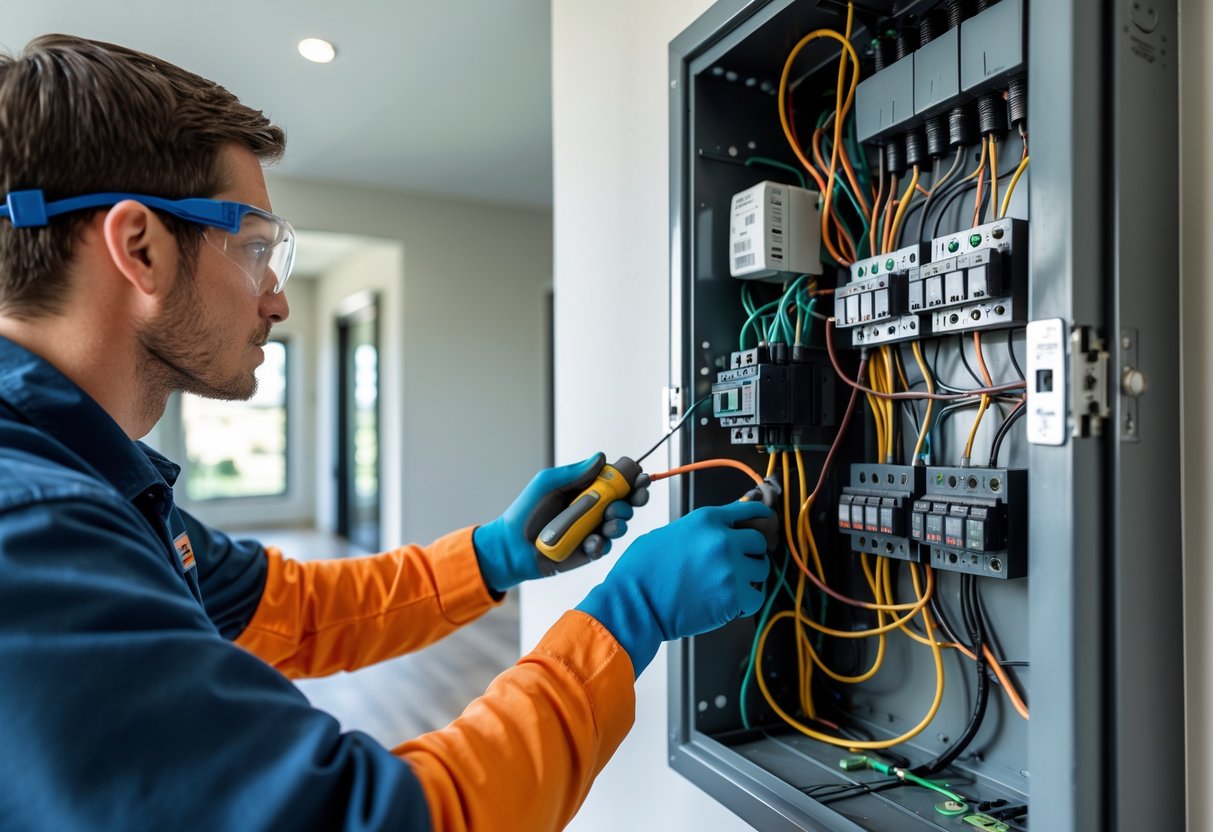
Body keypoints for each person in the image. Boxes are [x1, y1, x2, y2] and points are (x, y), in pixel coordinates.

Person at [0, 34, 774, 831]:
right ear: (139, 248)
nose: (275, 300)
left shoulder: (89, 478)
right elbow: (377, 820)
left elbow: (290, 611)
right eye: (253, 249)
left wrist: (497, 553)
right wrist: (629, 614)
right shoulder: (34, 535)